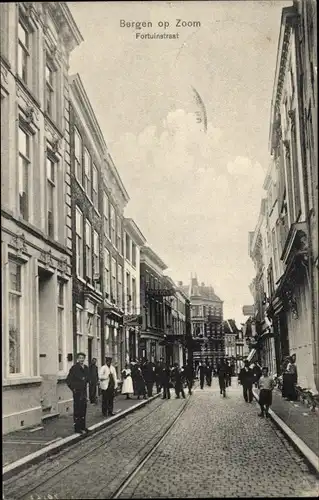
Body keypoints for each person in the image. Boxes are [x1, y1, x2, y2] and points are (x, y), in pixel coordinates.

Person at [66, 352, 90, 434]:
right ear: (77, 359)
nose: (81, 359)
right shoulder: (74, 368)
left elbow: (88, 378)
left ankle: (83, 426)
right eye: (80, 358)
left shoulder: (86, 368)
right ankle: (77, 428)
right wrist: (74, 389)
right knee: (77, 410)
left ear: (84, 359)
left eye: (82, 358)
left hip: (84, 392)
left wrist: (87, 380)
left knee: (83, 409)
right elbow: (68, 380)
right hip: (77, 392)